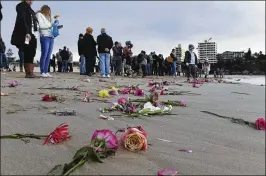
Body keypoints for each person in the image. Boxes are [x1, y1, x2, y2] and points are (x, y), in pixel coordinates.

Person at [11, 0, 38, 78]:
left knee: (32, 51)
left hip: (32, 33)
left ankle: (30, 71)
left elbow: (32, 20)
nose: (31, 1)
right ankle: (28, 72)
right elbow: (22, 19)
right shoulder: (21, 6)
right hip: (26, 33)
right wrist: (27, 32)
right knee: (28, 50)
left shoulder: (29, 8)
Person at [36, 5, 55, 78]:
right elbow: (41, 26)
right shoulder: (39, 15)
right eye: (48, 11)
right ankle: (42, 71)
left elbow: (51, 26)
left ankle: (46, 71)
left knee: (48, 55)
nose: (49, 13)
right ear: (45, 10)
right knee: (44, 54)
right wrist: (50, 26)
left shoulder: (48, 18)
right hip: (44, 36)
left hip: (51, 37)